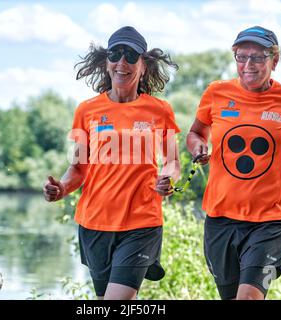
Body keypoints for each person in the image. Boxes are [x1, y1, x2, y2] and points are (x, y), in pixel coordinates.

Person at [43, 26, 180, 300]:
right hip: (94, 224)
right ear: (107, 62)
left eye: (131, 56)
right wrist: (62, 188)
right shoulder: (87, 110)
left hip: (142, 223)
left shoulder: (159, 110)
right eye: (116, 54)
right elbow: (78, 168)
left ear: (143, 65)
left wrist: (168, 179)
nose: (122, 62)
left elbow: (172, 162)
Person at [186, 26, 281, 300]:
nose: (248, 65)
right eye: (241, 57)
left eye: (257, 57)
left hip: (270, 221)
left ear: (274, 61)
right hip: (221, 220)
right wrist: (198, 147)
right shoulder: (216, 94)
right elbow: (195, 132)